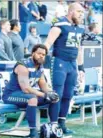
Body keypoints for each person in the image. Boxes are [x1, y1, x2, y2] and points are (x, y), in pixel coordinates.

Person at [44, 2, 85, 135]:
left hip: (72, 64)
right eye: (79, 12)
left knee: (68, 95)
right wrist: (38, 59)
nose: (81, 15)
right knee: (57, 94)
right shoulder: (60, 25)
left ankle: (62, 123)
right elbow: (48, 43)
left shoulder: (79, 28)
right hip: (59, 62)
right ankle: (53, 125)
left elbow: (79, 49)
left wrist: (81, 68)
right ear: (71, 11)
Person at [2, 44, 59, 138]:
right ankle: (33, 132)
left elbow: (43, 84)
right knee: (33, 99)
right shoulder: (23, 65)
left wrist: (51, 93)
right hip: (11, 95)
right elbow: (26, 88)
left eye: (43, 54)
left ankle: (54, 127)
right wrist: (44, 95)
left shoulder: (40, 67)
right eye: (39, 53)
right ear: (33, 53)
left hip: (26, 95)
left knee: (54, 97)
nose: (41, 56)